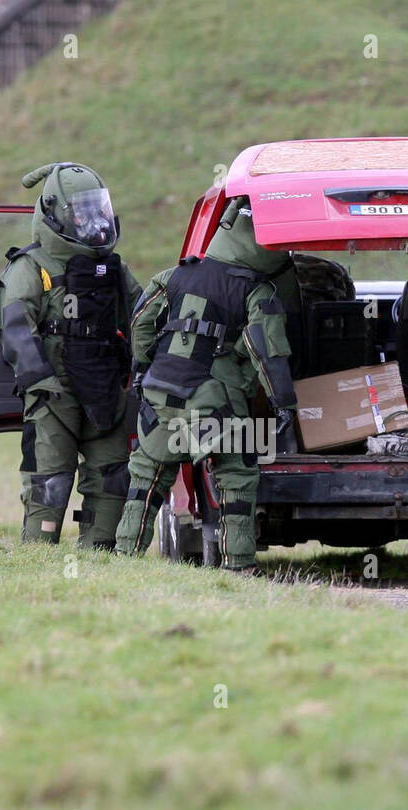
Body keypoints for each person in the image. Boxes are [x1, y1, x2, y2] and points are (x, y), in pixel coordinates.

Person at [114, 199, 297, 570]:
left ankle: (125, 559)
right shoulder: (258, 292)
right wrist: (285, 405)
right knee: (236, 478)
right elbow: (268, 353)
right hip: (215, 401)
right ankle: (238, 565)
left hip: (161, 391)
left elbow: (140, 324)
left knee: (146, 480)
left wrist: (146, 367)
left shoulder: (174, 275)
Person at [0, 162, 141, 547]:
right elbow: (16, 329)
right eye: (81, 210)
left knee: (111, 476)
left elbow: (142, 313)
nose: (92, 219)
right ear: (56, 213)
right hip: (53, 392)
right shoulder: (30, 267)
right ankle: (39, 553)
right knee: (49, 478)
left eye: (96, 208)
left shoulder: (111, 268)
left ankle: (99, 553)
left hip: (106, 386)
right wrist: (41, 382)